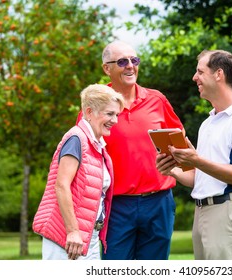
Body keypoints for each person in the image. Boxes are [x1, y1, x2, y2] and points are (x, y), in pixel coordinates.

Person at [76, 41, 184, 260]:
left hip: (159, 202)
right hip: (116, 205)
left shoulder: (157, 100)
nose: (130, 66)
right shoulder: (94, 105)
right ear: (107, 68)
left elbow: (181, 143)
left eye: (134, 60)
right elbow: (82, 154)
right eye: (122, 61)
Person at [156, 50, 232, 260]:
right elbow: (199, 179)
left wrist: (196, 160)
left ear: (218, 74)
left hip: (228, 212)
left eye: (200, 72)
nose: (194, 78)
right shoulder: (208, 123)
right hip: (202, 214)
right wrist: (173, 169)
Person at [32, 84, 124, 260]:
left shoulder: (97, 145)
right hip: (67, 239)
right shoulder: (76, 139)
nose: (115, 120)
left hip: (89, 237)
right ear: (89, 112)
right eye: (109, 114)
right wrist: (73, 232)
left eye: (117, 115)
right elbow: (61, 185)